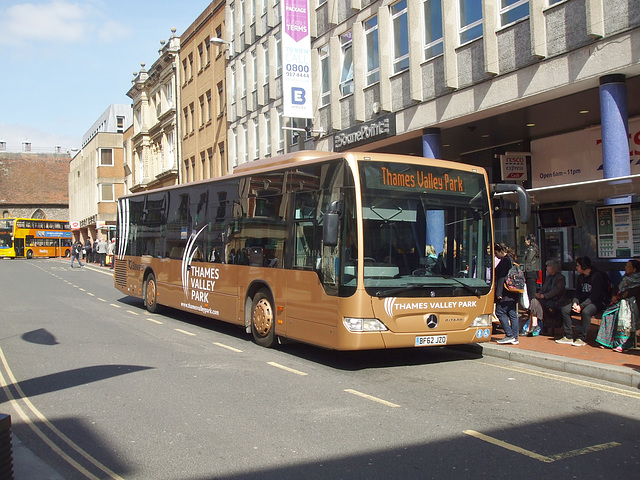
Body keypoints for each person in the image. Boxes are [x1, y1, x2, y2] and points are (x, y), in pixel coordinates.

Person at [556, 256, 610, 347]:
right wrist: (575, 303)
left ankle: (582, 338)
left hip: (597, 301)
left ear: (584, 266)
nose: (576, 268)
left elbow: (595, 295)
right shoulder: (580, 277)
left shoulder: (597, 276)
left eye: (578, 266)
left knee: (586, 312)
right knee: (565, 310)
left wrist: (581, 306)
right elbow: (577, 293)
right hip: (583, 301)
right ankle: (568, 336)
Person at [596, 259, 640, 352]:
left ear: (634, 269)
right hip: (619, 300)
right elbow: (616, 287)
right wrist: (613, 295)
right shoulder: (624, 277)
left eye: (628, 266)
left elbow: (631, 291)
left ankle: (623, 343)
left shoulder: (637, 279)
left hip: (630, 303)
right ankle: (607, 341)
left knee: (621, 317)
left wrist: (619, 297)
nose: (626, 268)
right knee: (607, 314)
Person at [523, 259, 565, 336]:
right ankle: (534, 324)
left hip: (554, 300)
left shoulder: (560, 278)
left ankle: (532, 326)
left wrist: (544, 296)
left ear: (554, 268)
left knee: (535, 304)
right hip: (545, 299)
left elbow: (556, 290)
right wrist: (539, 294)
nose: (546, 268)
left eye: (548, 266)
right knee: (534, 301)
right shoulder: (548, 277)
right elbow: (543, 289)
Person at [494, 243, 520, 345]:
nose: (496, 256)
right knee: (512, 313)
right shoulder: (512, 260)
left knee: (500, 312)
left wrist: (498, 293)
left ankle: (509, 335)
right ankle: (515, 337)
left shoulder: (504, 261)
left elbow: (501, 278)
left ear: (501, 251)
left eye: (496, 253)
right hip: (513, 291)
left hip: (505, 292)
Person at [522, 234, 540, 306]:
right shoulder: (531, 249)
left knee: (531, 292)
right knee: (530, 292)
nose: (525, 242)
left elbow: (528, 260)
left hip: (531, 272)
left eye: (526, 240)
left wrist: (522, 267)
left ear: (529, 241)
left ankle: (533, 310)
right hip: (530, 272)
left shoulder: (531, 249)